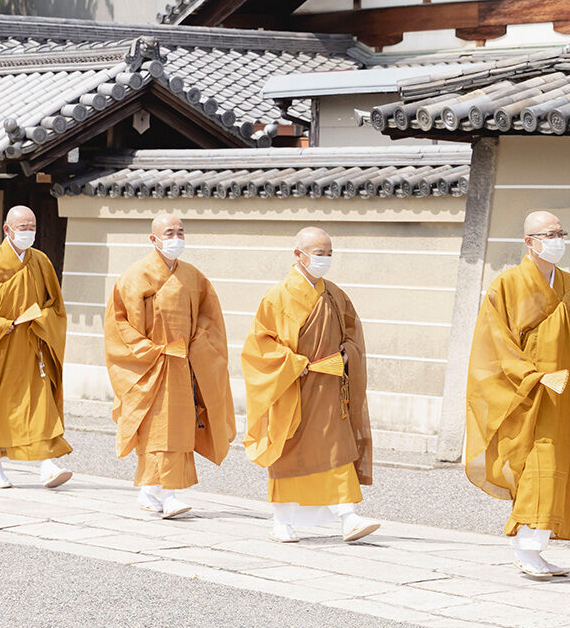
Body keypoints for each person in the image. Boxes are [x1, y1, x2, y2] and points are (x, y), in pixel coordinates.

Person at [465, 210, 570, 580]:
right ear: (529, 242)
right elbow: (495, 343)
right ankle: (526, 547)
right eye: (549, 234)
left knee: (559, 470)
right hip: (527, 395)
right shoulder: (507, 285)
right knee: (536, 469)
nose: (557, 240)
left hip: (564, 397)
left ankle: (536, 546)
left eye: (561, 232)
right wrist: (532, 377)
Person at [242, 227, 379, 543]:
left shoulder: (333, 294)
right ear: (298, 255)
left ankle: (348, 517)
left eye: (329, 253)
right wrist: (293, 364)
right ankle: (282, 521)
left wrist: (348, 354)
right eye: (319, 254)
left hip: (330, 389)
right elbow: (258, 347)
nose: (325, 260)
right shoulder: (278, 296)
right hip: (294, 390)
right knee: (290, 453)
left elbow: (351, 334)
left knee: (337, 450)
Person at [105, 213, 236, 519]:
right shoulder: (134, 277)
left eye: (180, 231)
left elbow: (210, 318)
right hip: (150, 366)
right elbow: (118, 324)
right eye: (169, 232)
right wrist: (149, 351)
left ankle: (152, 490)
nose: (176, 237)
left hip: (183, 365)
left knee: (177, 429)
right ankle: (169, 493)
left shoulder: (194, 277)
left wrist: (197, 346)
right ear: (154, 239)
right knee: (157, 429)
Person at [0, 206, 72, 490]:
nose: (28, 232)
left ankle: (47, 464)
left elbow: (54, 306)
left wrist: (41, 319)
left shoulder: (41, 262)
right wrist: (0, 325)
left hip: (32, 347)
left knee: (41, 404)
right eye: (22, 227)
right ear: (7, 229)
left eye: (32, 227)